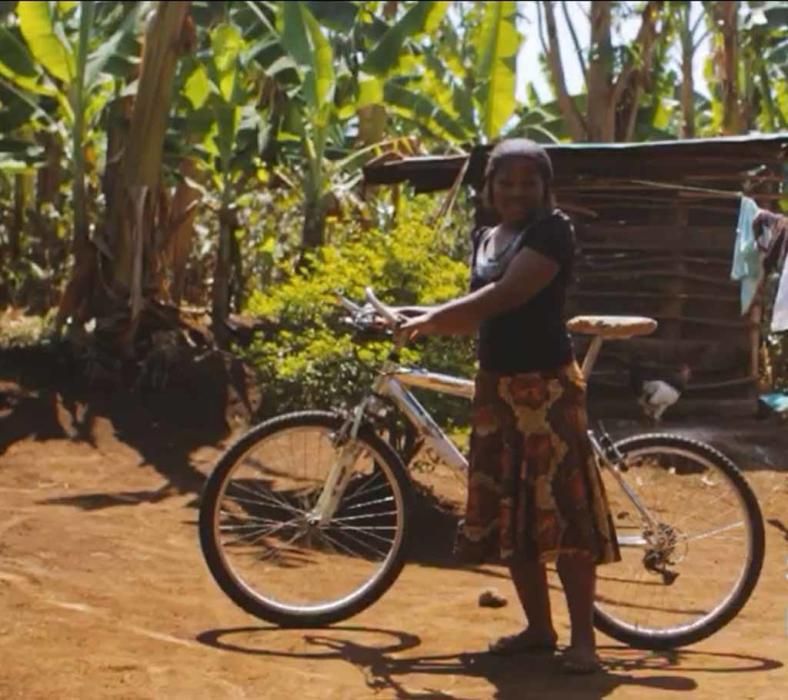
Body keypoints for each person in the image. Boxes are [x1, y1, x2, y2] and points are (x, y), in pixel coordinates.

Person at [394, 138, 621, 674]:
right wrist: (415, 313)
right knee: (511, 513)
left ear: (545, 188)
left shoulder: (552, 232)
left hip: (545, 390)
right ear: (490, 188)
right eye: (505, 182)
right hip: (496, 389)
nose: (516, 191)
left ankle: (584, 641)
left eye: (527, 182)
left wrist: (431, 320)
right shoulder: (485, 237)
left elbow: (503, 298)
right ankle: (539, 629)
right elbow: (477, 306)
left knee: (562, 514)